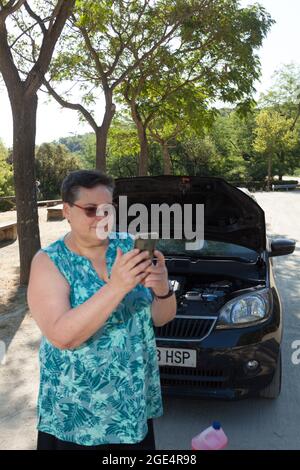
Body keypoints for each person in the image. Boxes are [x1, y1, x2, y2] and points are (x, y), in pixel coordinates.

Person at [27, 169, 177, 450]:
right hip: (77, 415)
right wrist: (116, 286)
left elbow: (160, 318)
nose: (102, 218)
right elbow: (62, 336)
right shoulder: (49, 262)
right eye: (91, 209)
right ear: (67, 211)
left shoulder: (129, 247)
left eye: (107, 209)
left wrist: (162, 289)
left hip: (131, 407)